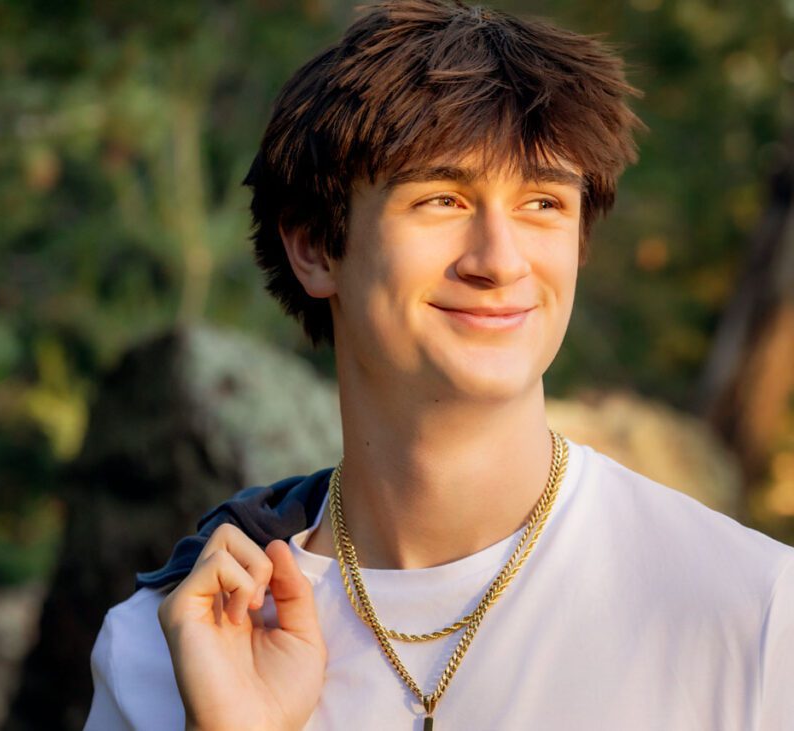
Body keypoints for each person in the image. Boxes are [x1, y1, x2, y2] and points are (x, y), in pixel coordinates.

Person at [83, 1, 794, 729]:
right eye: (442, 198)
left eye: (543, 202)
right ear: (314, 248)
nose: (499, 259)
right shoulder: (162, 649)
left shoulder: (749, 613)